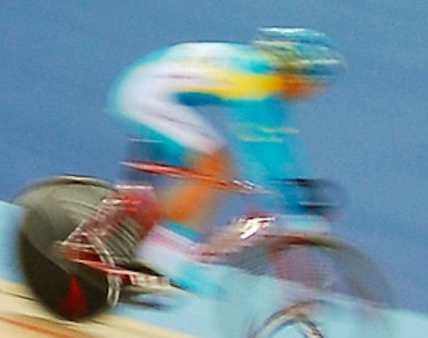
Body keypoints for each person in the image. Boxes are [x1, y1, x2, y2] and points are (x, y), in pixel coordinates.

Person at [107, 28, 343, 298]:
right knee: (215, 165)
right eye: (312, 82)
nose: (312, 91)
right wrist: (292, 201)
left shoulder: (265, 79)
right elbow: (258, 146)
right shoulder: (254, 79)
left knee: (197, 175)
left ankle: (141, 254)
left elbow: (280, 146)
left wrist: (299, 191)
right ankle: (163, 253)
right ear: (293, 73)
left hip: (148, 88)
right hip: (146, 96)